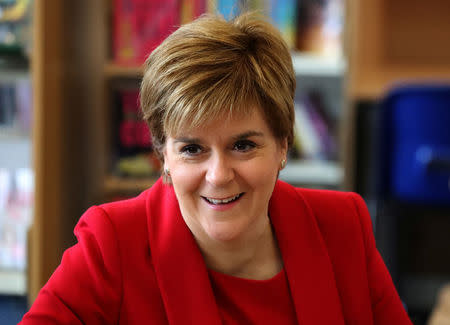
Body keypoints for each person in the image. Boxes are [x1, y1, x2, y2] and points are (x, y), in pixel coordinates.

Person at [21, 12, 412, 324]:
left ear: (283, 145)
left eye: (243, 145)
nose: (219, 174)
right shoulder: (112, 244)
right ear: (164, 157)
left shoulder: (342, 227)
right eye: (192, 149)